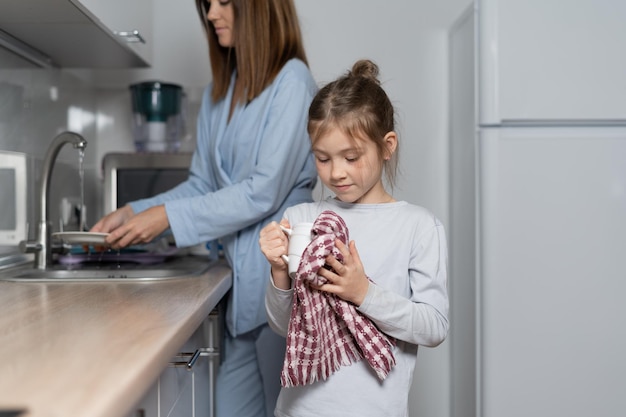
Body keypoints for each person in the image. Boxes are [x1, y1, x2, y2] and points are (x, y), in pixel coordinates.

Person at [90, 1, 318, 416]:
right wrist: (135, 210)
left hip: (282, 282)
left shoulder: (292, 82)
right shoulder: (222, 92)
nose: (212, 14)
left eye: (224, 2)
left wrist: (165, 219)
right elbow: (202, 184)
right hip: (242, 292)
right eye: (207, 4)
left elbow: (261, 192)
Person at [258, 59, 449, 417]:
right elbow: (285, 327)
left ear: (387, 145)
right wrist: (279, 272)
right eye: (323, 159)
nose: (337, 173)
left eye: (351, 157)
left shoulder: (417, 226)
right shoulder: (303, 220)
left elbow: (434, 326)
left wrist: (364, 294)